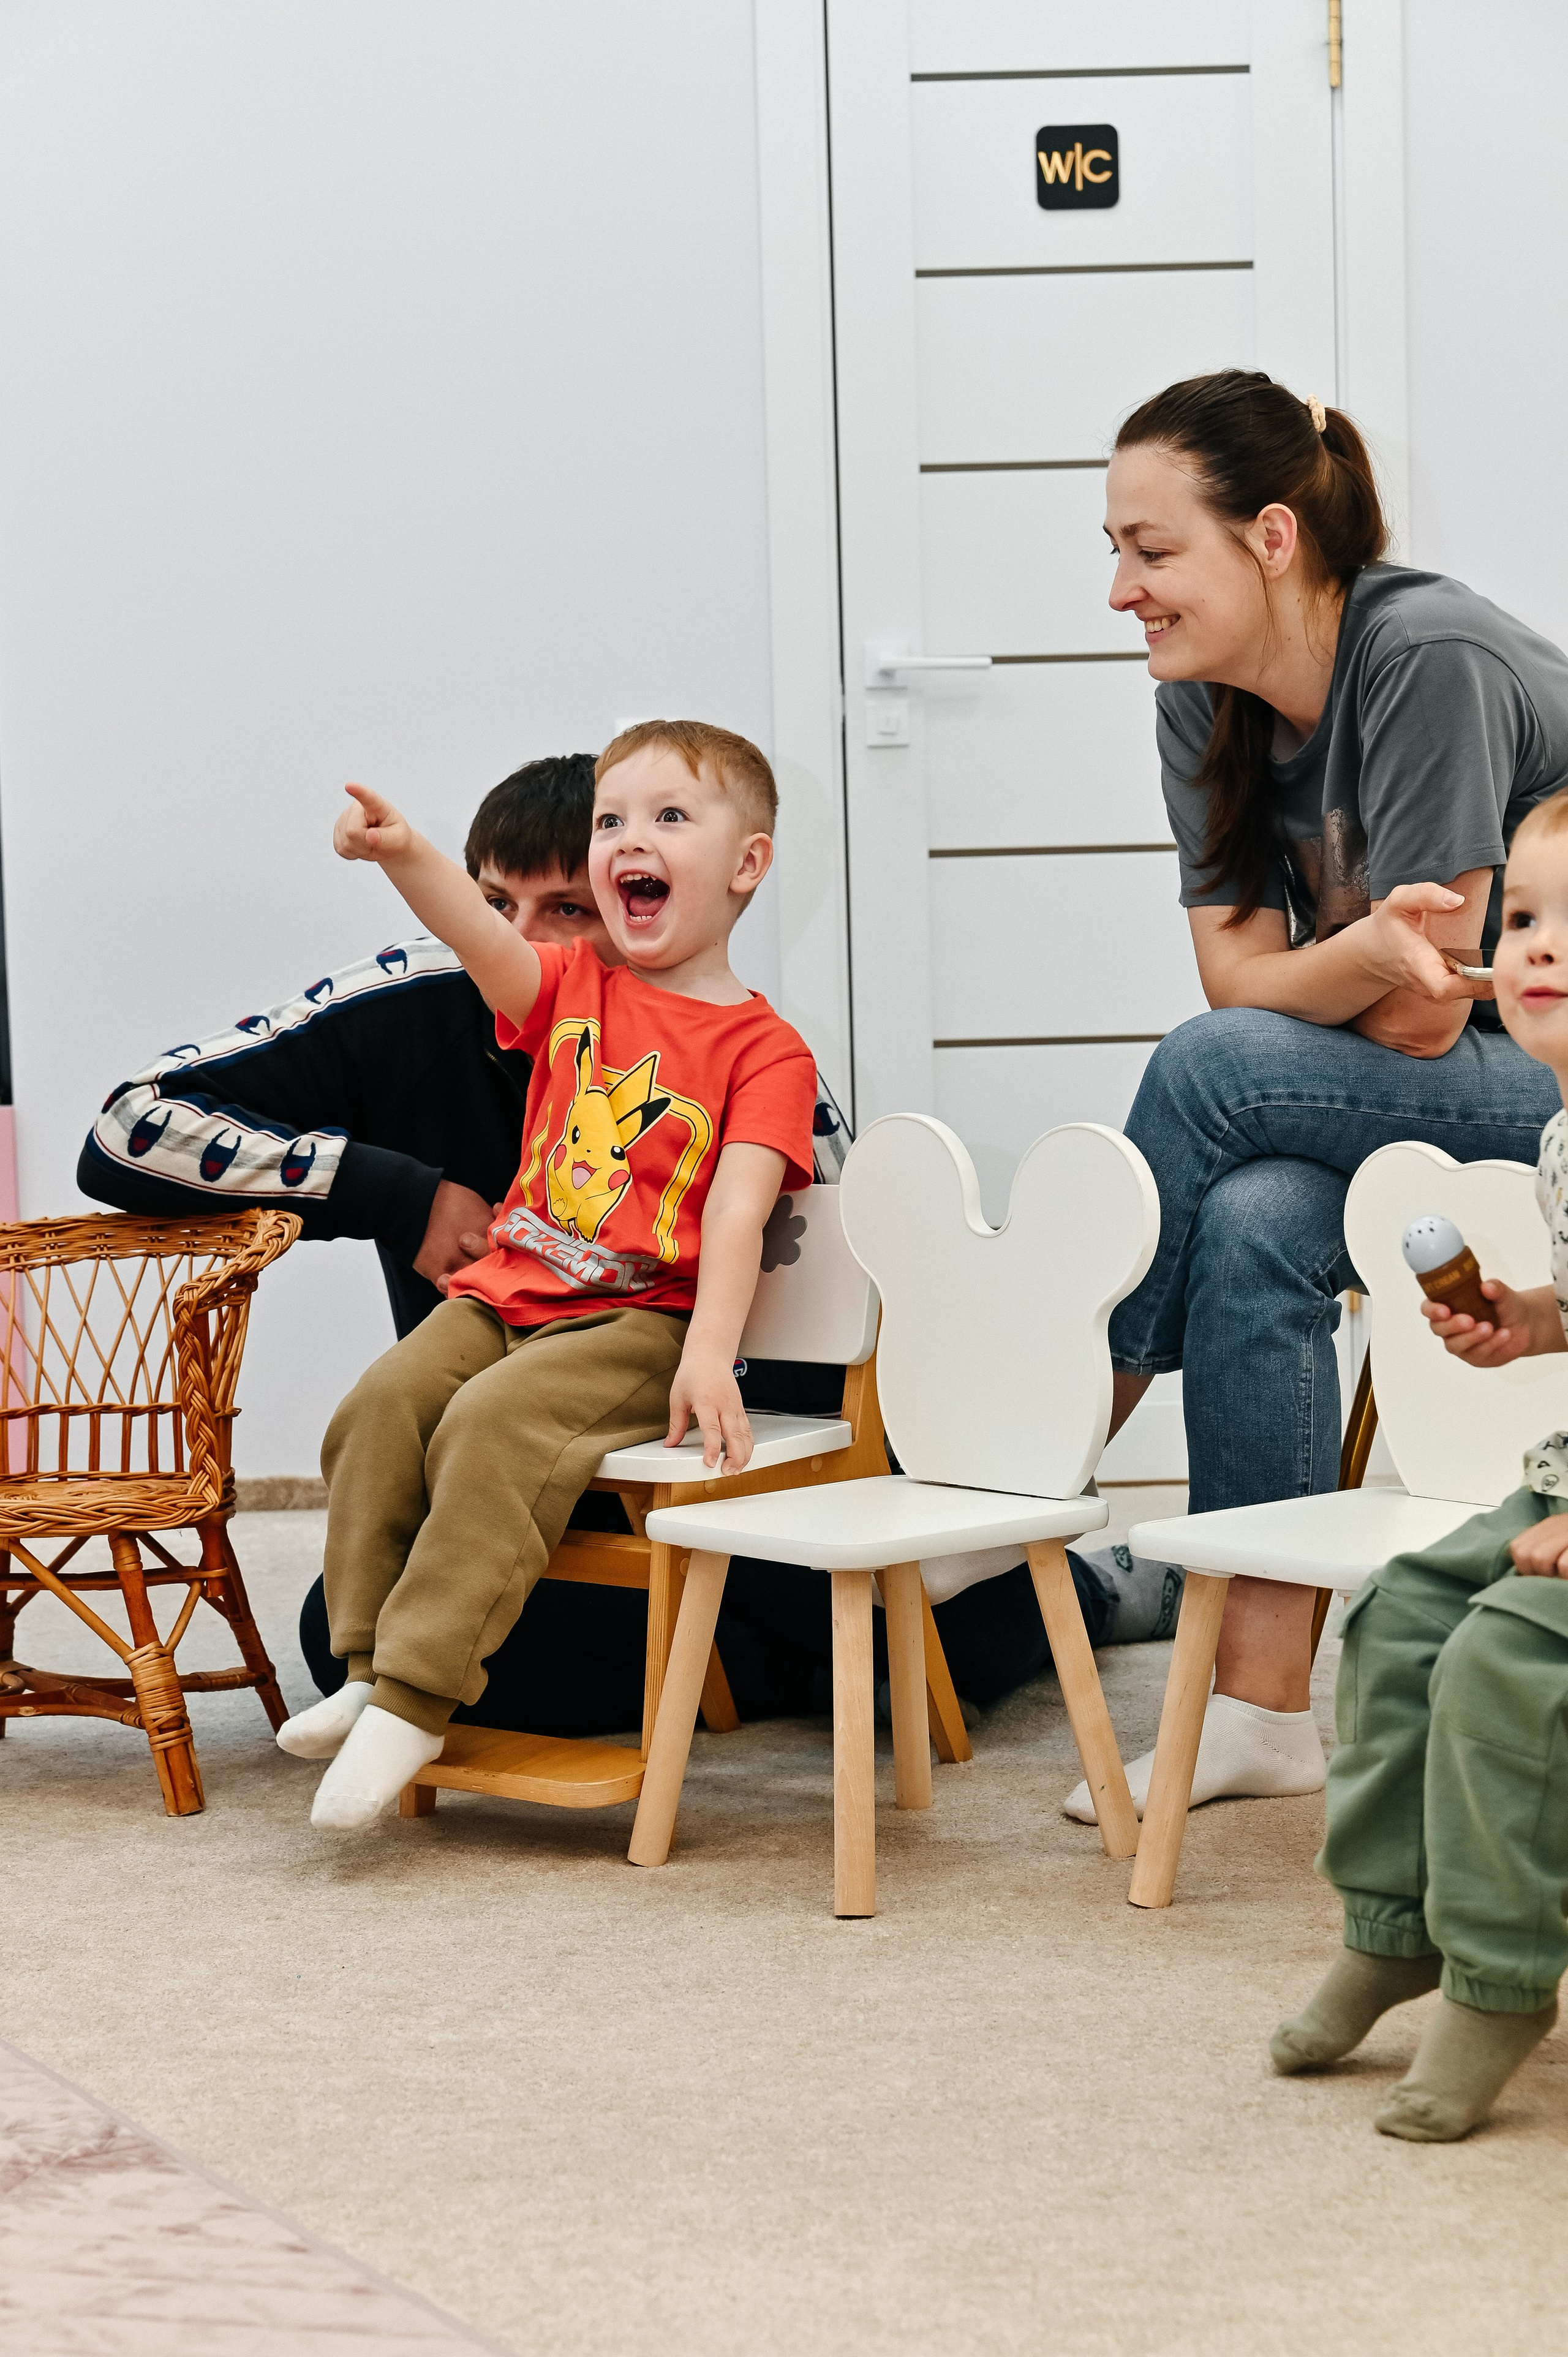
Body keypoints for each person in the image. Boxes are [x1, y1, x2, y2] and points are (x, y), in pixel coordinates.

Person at [1065, 369, 1568, 1826]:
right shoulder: (1200, 699)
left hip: (1546, 1067)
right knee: (1255, 1215)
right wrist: (1354, 955)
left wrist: (1336, 972)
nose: (1121, 590)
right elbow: (1242, 971)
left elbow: (1423, 1010)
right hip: (1463, 1060)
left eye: (1152, 551)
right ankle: (1259, 1705)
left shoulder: (1423, 657)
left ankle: (1042, 1453)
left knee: (1207, 1069)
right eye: (1114, 551)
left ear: (1272, 538)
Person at [277, 717, 821, 1828]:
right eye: (612, 820)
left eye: (671, 817)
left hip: (638, 1320)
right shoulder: (575, 988)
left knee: (491, 1426)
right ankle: (367, 1668)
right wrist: (403, 852)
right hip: (511, 1288)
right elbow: (474, 934)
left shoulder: (768, 1052)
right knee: (380, 1405)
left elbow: (739, 1212)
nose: (631, 838)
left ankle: (417, 1698)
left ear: (747, 864)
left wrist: (711, 1353)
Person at [1272, 790, 1568, 2140]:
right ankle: (1393, 1929)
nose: (1537, 948)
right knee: (1398, 1618)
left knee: (1503, 1661)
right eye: (1524, 918)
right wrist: (1527, 1320)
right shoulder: (1559, 1137)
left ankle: (1501, 1977)